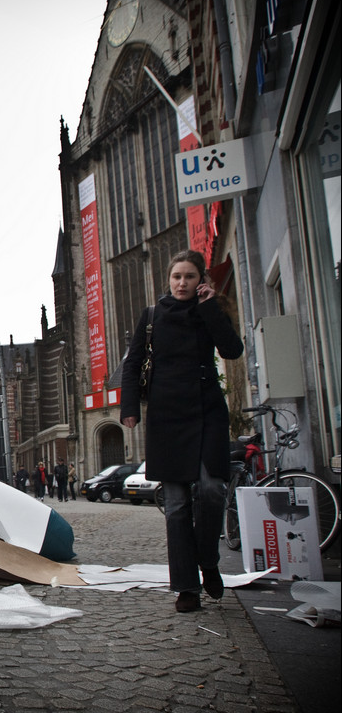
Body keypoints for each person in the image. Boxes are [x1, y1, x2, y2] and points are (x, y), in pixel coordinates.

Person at [120, 250, 243, 613]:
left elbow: (232, 350)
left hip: (206, 411)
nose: (182, 283)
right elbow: (132, 365)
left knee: (211, 488)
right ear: (169, 280)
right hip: (166, 416)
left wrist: (209, 308)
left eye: (189, 276)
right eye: (177, 276)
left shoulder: (209, 311)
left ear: (200, 279)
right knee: (175, 506)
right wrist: (129, 408)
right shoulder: (152, 315)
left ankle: (208, 560)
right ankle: (187, 587)